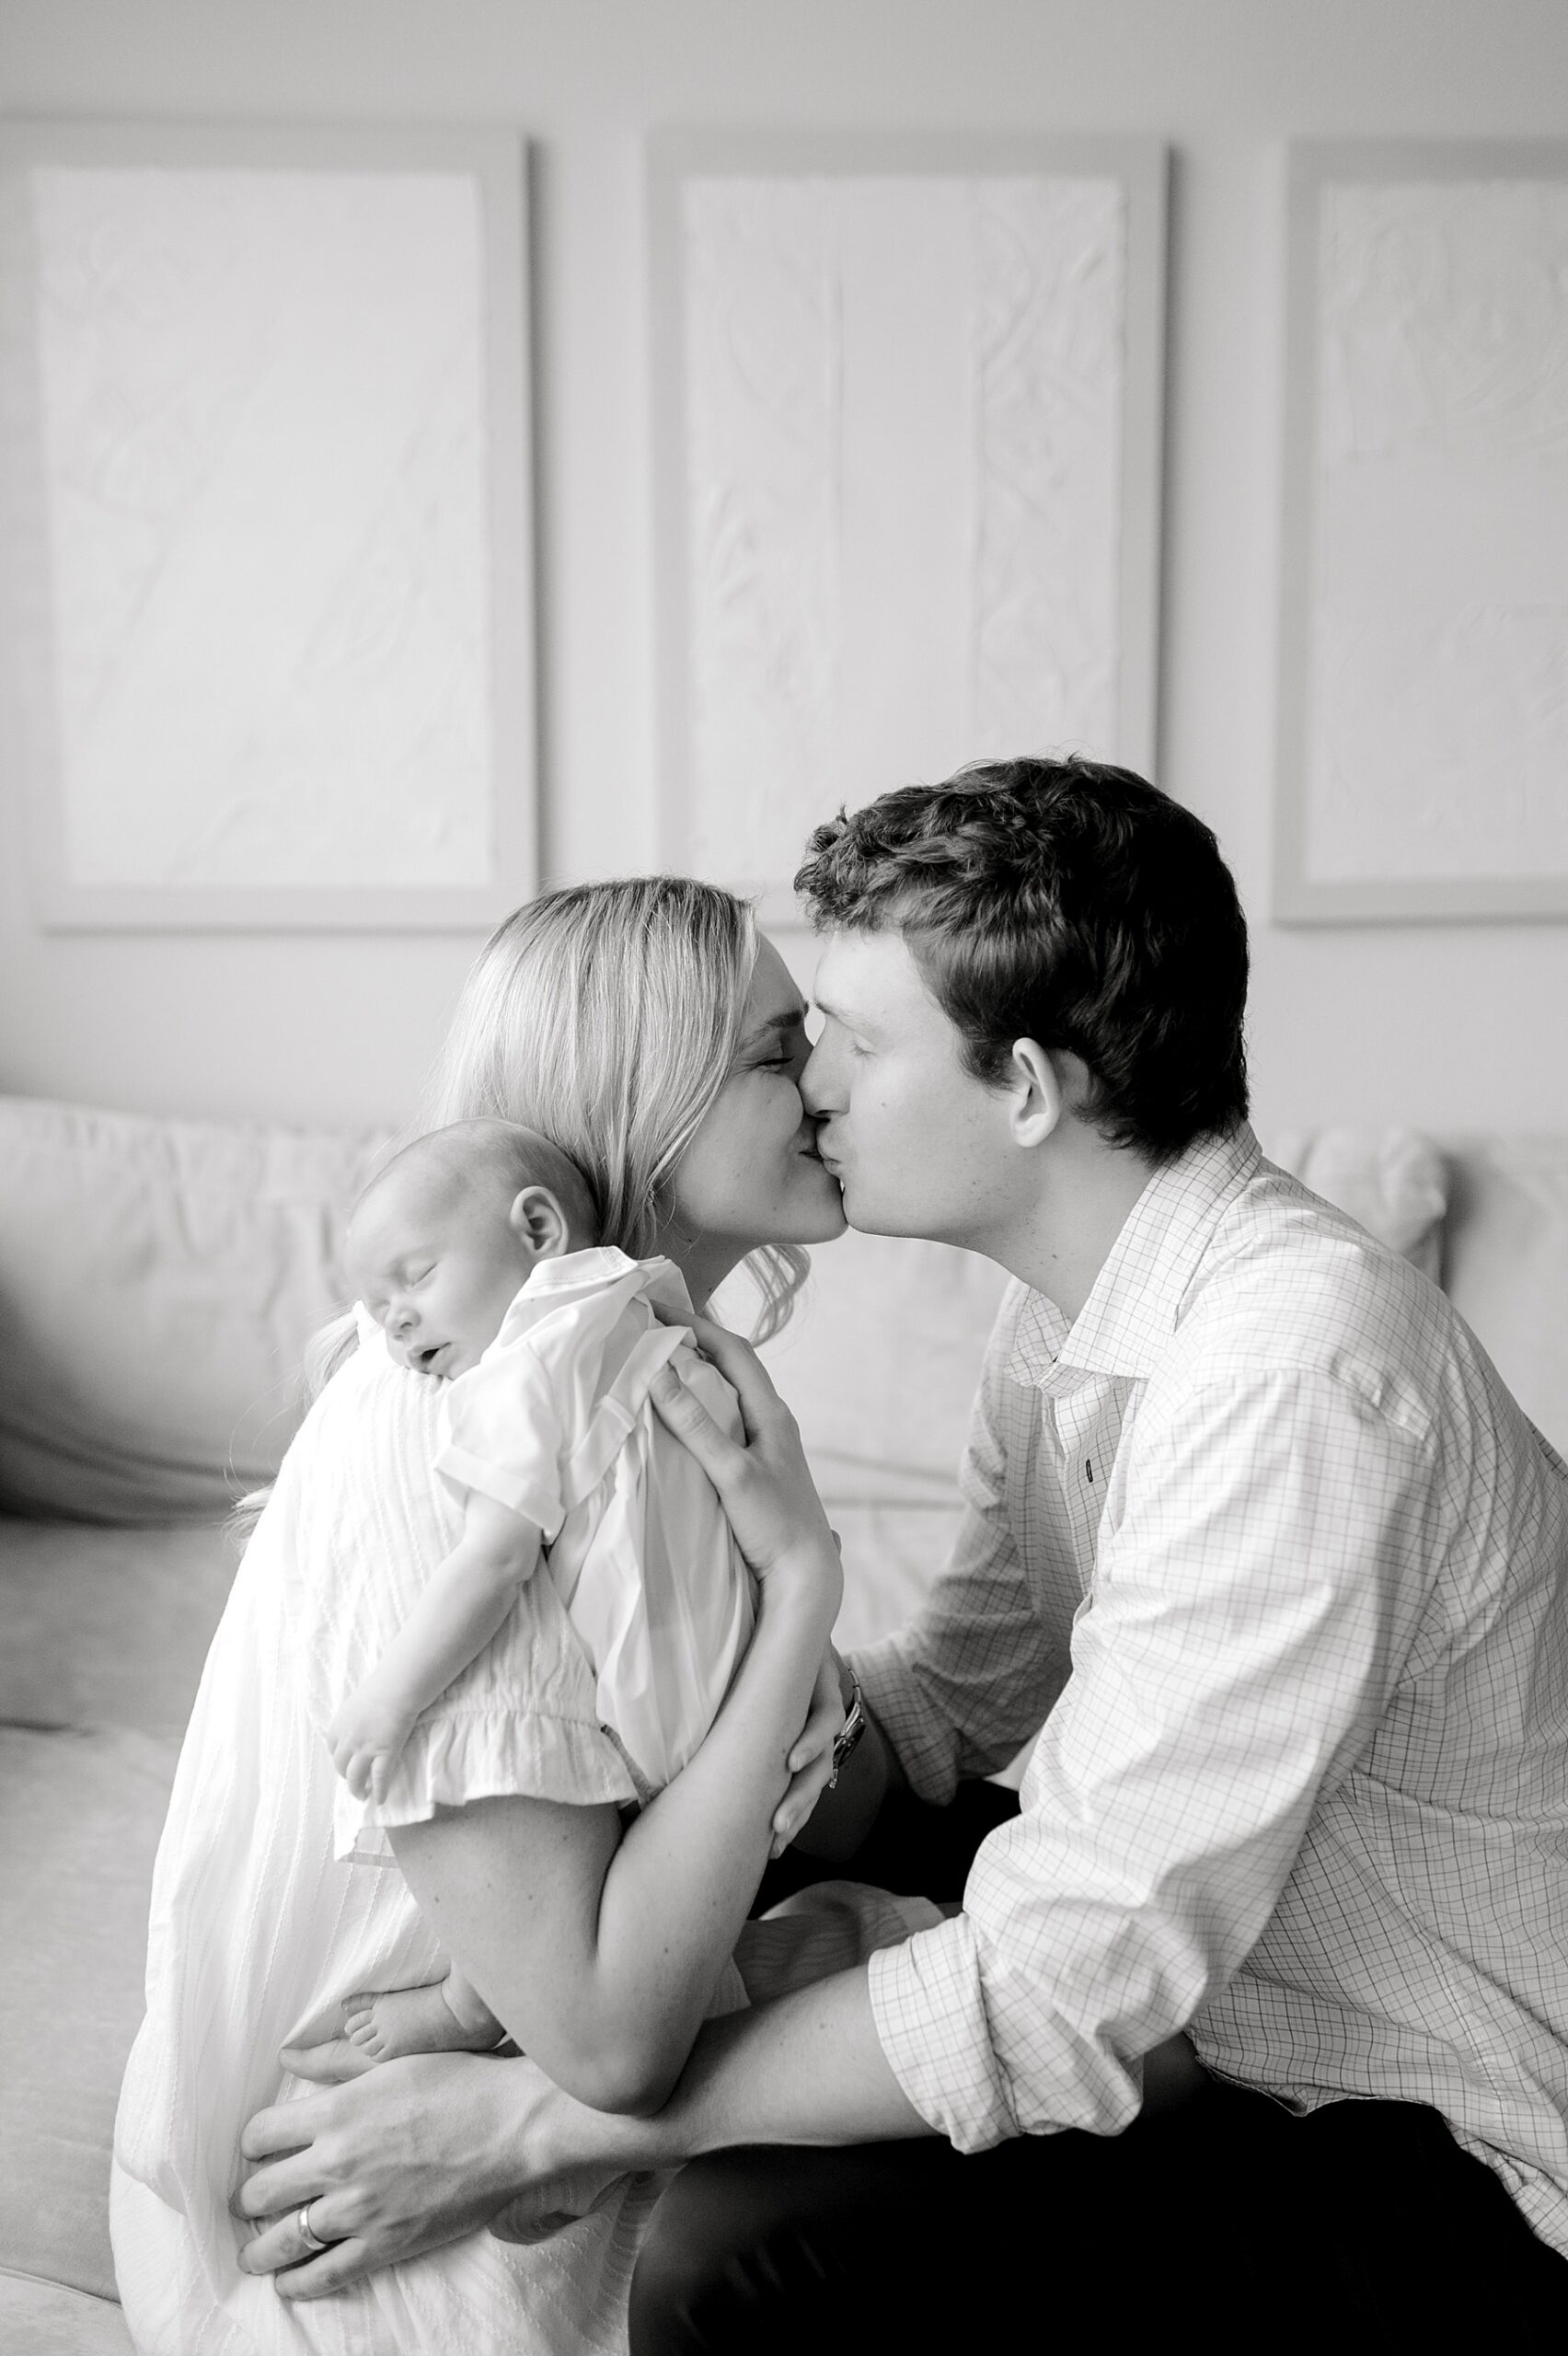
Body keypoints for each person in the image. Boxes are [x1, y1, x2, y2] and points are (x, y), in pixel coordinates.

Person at [234, 758, 1568, 2350]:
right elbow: (948, 1720)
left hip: (1436, 2130)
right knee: (759, 1866)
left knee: (736, 2251)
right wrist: (751, 1658)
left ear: (1021, 1086)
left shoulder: (1290, 1374)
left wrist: (536, 2126)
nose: (814, 1091)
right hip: (1238, 1980)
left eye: (849, 1044)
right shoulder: (1072, 1315)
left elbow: (1059, 1987)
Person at [111, 879, 888, 2353]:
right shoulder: (453, 1428)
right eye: (781, 1051)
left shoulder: (652, 1373)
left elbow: (800, 1786)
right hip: (377, 2246)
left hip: (497, 2130)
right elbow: (608, 2039)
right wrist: (803, 1596)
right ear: (641, 1095)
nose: (833, 1082)